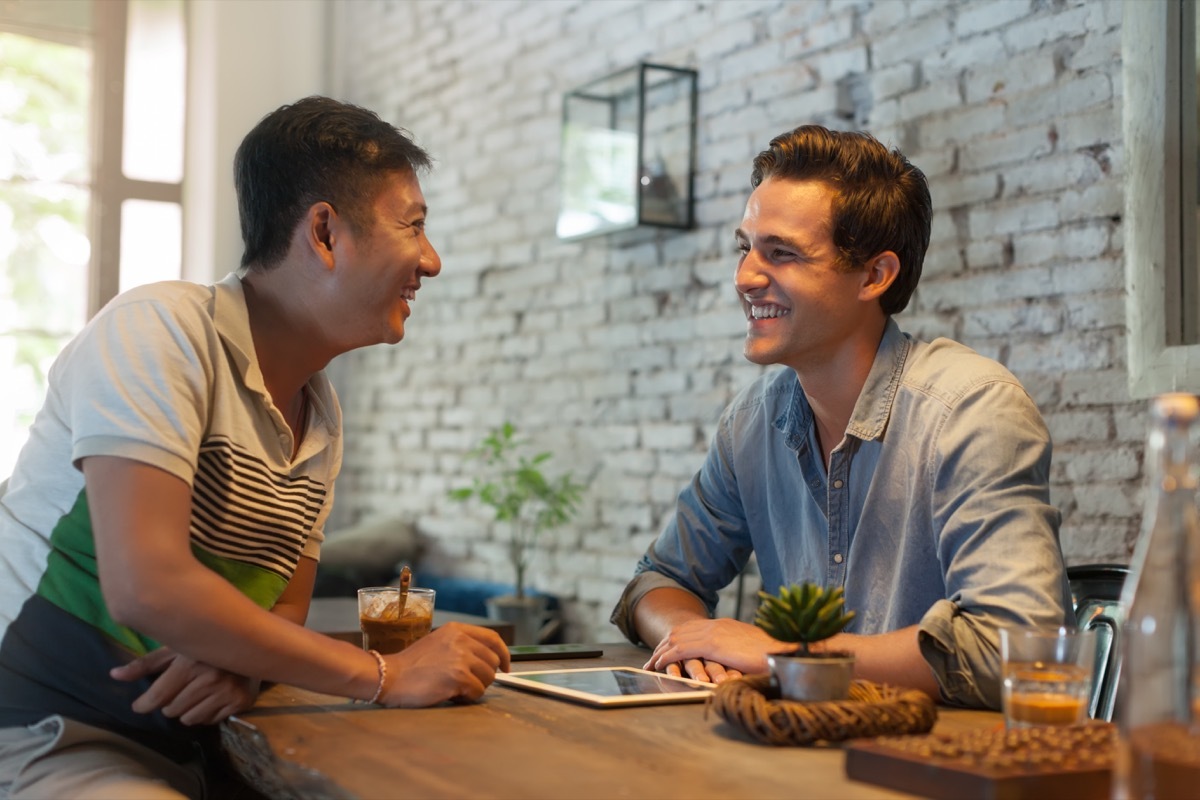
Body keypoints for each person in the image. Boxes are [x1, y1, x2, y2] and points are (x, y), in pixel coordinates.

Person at [0, 96, 510, 799]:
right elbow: (148, 585)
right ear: (324, 233)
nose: (432, 259)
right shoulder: (161, 330)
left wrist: (242, 661)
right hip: (45, 735)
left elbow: (284, 608)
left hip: (201, 748)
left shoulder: (320, 415)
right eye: (413, 226)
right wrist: (386, 674)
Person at [610, 124, 1073, 710]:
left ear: (875, 276)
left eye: (781, 253)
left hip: (940, 754)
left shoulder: (972, 412)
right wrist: (694, 641)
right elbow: (659, 581)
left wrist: (785, 653)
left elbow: (1016, 647)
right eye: (745, 248)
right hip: (797, 744)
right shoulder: (751, 422)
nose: (744, 277)